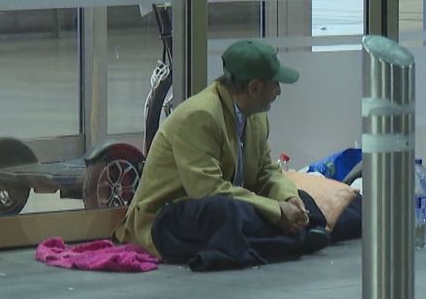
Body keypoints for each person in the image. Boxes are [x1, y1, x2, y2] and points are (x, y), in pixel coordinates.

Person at [113, 39, 330, 270]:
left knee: (302, 199)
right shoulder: (200, 116)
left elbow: (267, 172)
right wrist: (276, 211)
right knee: (227, 212)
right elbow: (208, 190)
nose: (278, 91)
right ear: (254, 87)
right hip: (166, 218)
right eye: (275, 84)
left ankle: (283, 238)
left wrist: (288, 199)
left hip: (223, 205)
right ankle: (292, 238)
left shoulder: (255, 114)